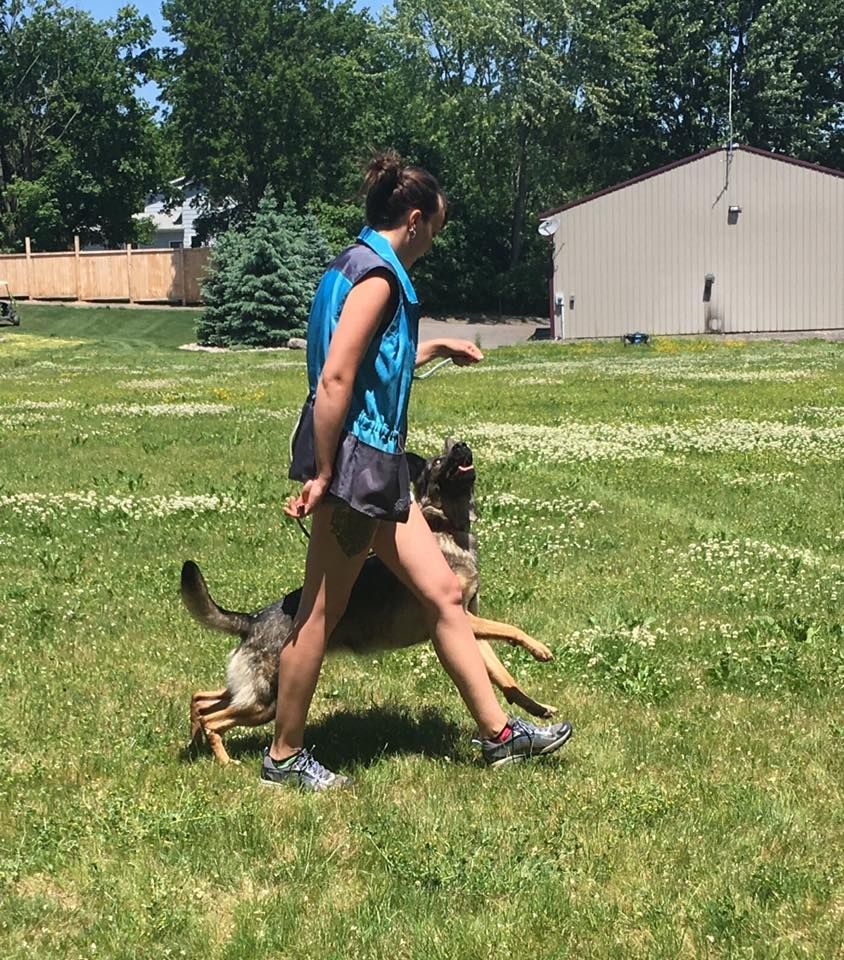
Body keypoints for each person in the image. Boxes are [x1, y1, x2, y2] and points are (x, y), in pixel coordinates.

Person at [261, 151, 573, 790]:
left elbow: (372, 358)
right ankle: (283, 758)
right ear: (413, 218)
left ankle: (499, 737)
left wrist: (435, 346)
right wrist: (322, 473)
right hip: (354, 470)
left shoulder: (351, 268)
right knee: (319, 613)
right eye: (435, 225)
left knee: (442, 592)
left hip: (380, 473)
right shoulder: (378, 277)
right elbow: (337, 376)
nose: (435, 237)